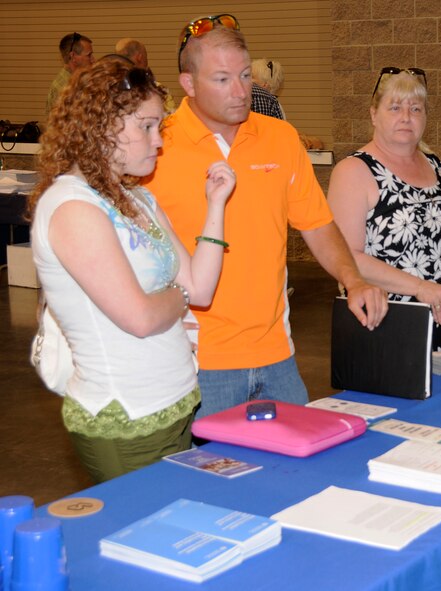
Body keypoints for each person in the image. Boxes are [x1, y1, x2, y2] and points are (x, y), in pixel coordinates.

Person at [144, 15, 387, 418]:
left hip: (278, 355)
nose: (241, 91)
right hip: (199, 363)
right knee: (209, 478)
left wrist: (353, 280)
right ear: (188, 84)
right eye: (222, 80)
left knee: (298, 475)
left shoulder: (280, 137)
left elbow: (317, 223)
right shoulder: (157, 147)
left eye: (244, 74)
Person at [29, 59, 237, 482]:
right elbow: (140, 318)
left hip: (176, 405)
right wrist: (174, 298)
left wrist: (216, 205)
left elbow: (200, 287)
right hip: (127, 415)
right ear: (102, 126)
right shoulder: (72, 207)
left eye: (158, 126)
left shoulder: (137, 199)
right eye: (146, 126)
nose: (158, 141)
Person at [327, 68, 441, 350]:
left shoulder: (434, 165)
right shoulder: (354, 171)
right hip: (386, 324)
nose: (406, 117)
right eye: (395, 107)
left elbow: (431, 245)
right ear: (374, 114)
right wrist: (419, 287)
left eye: (415, 108)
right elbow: (345, 258)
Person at [115, 38, 177, 114]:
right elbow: (171, 120)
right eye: (146, 56)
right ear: (139, 58)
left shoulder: (110, 91)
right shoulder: (158, 91)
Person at [45, 32, 94, 114]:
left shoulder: (78, 81)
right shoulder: (64, 89)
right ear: (73, 57)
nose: (93, 60)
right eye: (89, 55)